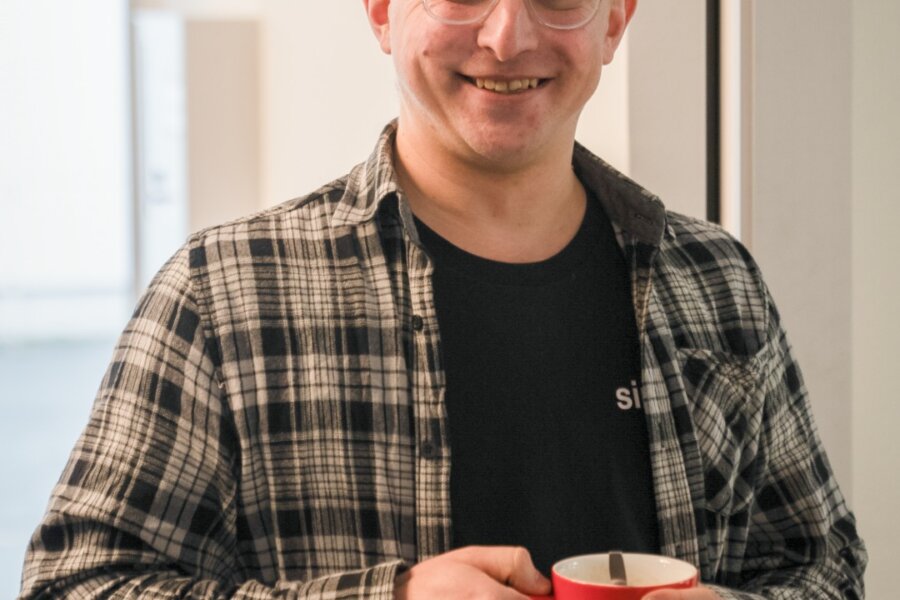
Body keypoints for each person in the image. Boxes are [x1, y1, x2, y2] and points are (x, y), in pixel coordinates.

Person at [19, 0, 866, 598]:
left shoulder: (717, 281)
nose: (507, 35)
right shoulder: (223, 292)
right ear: (382, 11)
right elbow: (76, 584)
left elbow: (824, 569)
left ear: (615, 20)